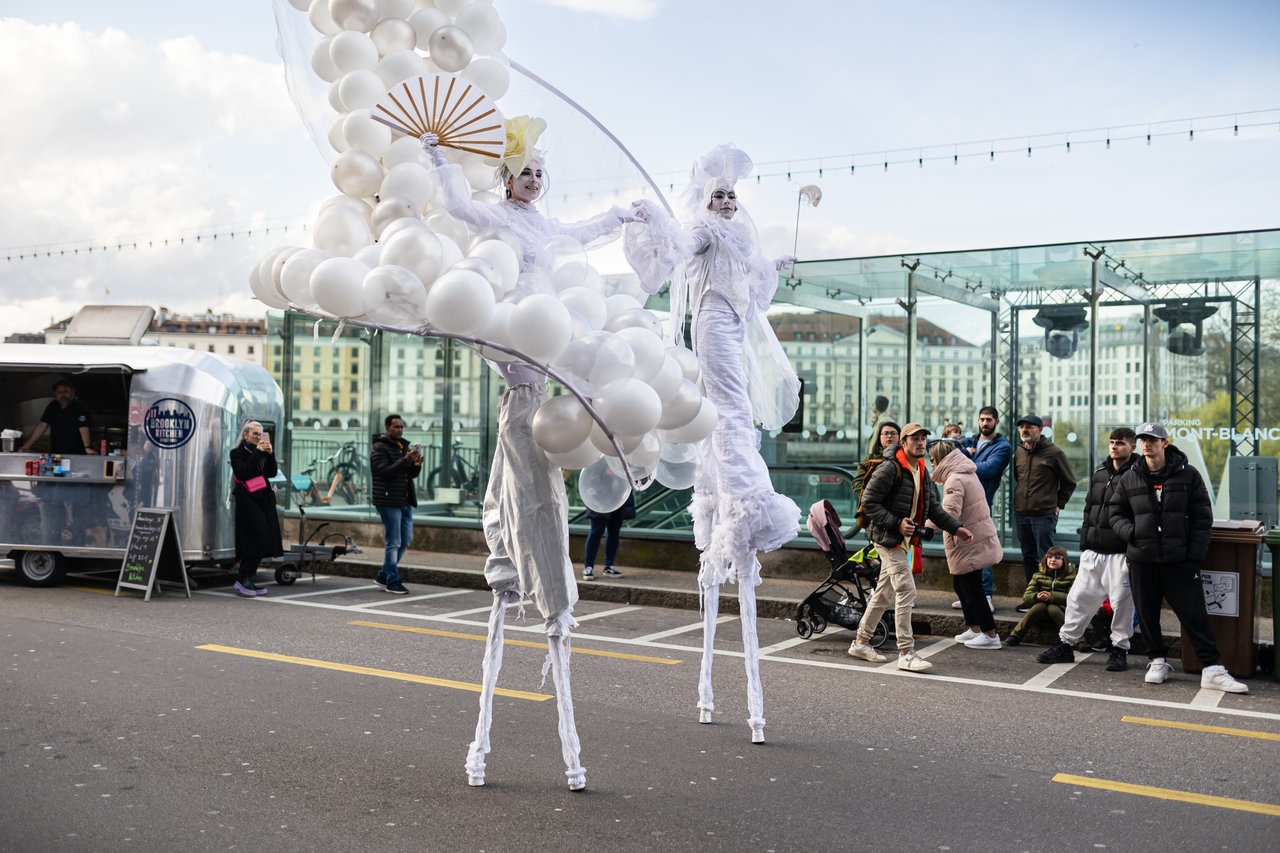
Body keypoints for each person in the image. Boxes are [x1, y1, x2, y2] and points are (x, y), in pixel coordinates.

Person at [424, 122, 645, 789]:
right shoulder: (496, 219)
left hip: (549, 362)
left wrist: (623, 211)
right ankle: (550, 597)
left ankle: (519, 576)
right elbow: (458, 208)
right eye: (525, 172)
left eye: (541, 172)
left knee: (522, 481)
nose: (535, 181)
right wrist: (437, 157)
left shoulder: (549, 230)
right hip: (520, 357)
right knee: (537, 491)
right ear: (508, 177)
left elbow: (584, 232)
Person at [625, 143, 800, 744]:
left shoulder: (734, 234)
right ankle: (745, 502)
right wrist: (656, 223)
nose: (726, 202)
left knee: (737, 407)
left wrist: (773, 260)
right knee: (726, 404)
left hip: (731, 320)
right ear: (703, 200)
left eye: (730, 195)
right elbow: (675, 253)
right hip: (714, 324)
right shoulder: (701, 230)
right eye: (717, 194)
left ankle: (738, 497)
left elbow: (753, 284)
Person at [1106, 422, 1248, 693]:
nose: (1147, 444)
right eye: (1143, 439)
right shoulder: (1130, 477)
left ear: (1164, 443)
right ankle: (1157, 660)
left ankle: (1211, 669)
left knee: (1194, 614)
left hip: (1178, 560)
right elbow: (1115, 511)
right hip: (1142, 559)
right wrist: (1132, 533)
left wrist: (1193, 557)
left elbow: (1202, 518)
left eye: (1153, 439)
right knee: (1147, 615)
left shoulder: (1188, 475)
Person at [847, 423, 972, 671]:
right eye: (915, 438)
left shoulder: (921, 469)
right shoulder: (889, 468)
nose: (921, 443)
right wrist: (896, 523)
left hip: (903, 539)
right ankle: (906, 652)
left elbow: (933, 507)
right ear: (903, 443)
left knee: (883, 592)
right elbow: (869, 502)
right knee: (906, 589)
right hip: (886, 538)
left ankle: (861, 641)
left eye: (924, 438)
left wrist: (955, 527)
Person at [1036, 428, 1138, 669]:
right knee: (1077, 599)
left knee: (1122, 603)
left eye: (1120, 443)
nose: (1114, 447)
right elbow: (1089, 508)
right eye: (1112, 442)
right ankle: (1066, 644)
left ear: (1132, 447)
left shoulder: (1138, 475)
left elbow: (1140, 516)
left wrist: (1133, 551)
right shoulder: (1101, 472)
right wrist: (1085, 543)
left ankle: (1119, 649)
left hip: (1120, 553)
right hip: (1093, 550)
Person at [929, 440, 1004, 649]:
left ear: (941, 460)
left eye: (933, 460)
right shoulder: (966, 473)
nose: (932, 465)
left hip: (967, 540)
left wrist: (925, 528)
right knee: (963, 585)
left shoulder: (954, 479)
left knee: (971, 588)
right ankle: (975, 628)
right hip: (972, 538)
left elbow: (948, 513)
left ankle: (990, 634)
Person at [1011, 413, 1076, 611]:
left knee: (1046, 557)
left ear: (1039, 430)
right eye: (1022, 427)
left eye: (1030, 427)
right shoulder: (1019, 453)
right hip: (1022, 513)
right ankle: (1033, 597)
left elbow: (1069, 482)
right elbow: (1018, 478)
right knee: (1028, 556)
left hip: (1044, 515)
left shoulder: (1054, 453)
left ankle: (1051, 597)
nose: (1025, 430)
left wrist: (1059, 504)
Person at [954, 405, 1012, 611]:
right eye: (982, 419)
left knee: (983, 550)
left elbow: (989, 469)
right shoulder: (971, 441)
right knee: (963, 548)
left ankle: (985, 595)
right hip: (961, 502)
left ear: (996, 422)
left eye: (989, 420)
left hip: (981, 503)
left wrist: (963, 459)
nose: (985, 423)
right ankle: (968, 594)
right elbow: (941, 451)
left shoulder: (1003, 446)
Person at [370, 414, 423, 595]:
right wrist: (406, 460)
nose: (399, 430)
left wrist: (415, 464)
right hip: (388, 500)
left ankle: (383, 575)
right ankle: (392, 580)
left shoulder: (403, 447)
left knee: (405, 539)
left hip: (404, 500)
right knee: (393, 542)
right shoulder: (379, 448)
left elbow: (409, 475)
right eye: (396, 427)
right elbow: (385, 472)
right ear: (387, 428)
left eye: (401, 427)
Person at [228, 420, 281, 597]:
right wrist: (258, 452)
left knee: (266, 539)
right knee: (252, 539)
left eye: (260, 434)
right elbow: (244, 472)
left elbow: (272, 473)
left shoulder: (263, 452)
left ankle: (248, 577)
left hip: (263, 499)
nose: (258, 437)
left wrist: (270, 455)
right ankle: (243, 578)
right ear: (245, 435)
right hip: (247, 500)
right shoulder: (237, 453)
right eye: (255, 434)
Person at [1006, 546, 1075, 644]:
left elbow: (1073, 599)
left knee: (1052, 608)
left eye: (1058, 557)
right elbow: (1026, 597)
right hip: (1041, 614)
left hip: (1062, 613)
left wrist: (1052, 596)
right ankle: (1015, 635)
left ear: (1065, 561)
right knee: (1040, 606)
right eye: (1049, 557)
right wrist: (1036, 596)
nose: (1053, 560)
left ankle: (1077, 640)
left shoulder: (1071, 577)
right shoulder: (1038, 576)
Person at [20, 378, 97, 455]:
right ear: (55, 394)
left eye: (66, 391)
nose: (63, 395)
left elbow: (83, 428)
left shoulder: (79, 407)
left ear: (73, 392)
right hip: (57, 453)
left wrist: (87, 447)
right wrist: (26, 446)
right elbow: (42, 426)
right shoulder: (52, 407)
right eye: (59, 392)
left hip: (77, 453)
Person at [582, 491, 634, 580]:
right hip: (600, 495)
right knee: (596, 531)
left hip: (618, 496)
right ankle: (588, 567)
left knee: (613, 531)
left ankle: (608, 566)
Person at [852, 420, 900, 496]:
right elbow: (857, 483)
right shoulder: (870, 458)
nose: (889, 436)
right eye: (886, 433)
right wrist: (872, 497)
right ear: (879, 437)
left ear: (899, 437)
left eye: (893, 433)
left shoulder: (905, 458)